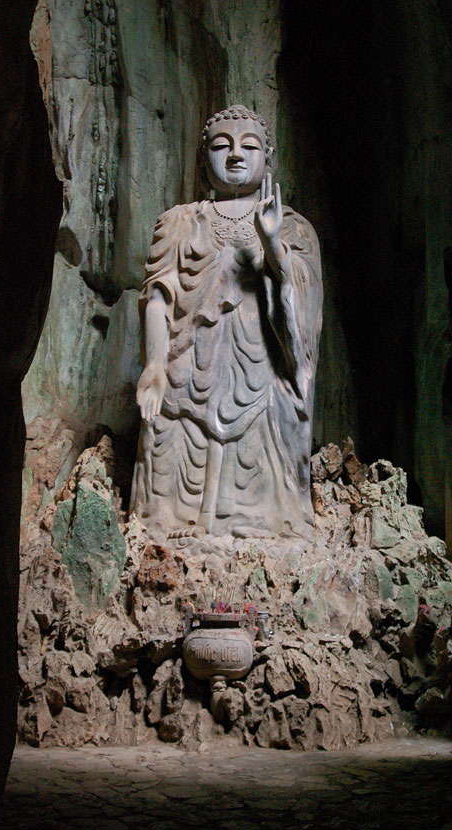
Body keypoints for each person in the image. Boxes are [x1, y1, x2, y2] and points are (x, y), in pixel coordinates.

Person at [130, 105, 323, 542]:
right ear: (203, 162)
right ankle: (173, 523)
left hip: (260, 376)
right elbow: (158, 297)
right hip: (186, 370)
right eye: (222, 146)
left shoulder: (292, 227)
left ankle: (260, 525)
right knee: (168, 435)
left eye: (248, 147)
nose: (235, 155)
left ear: (267, 159)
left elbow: (304, 303)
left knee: (264, 436)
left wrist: (272, 245)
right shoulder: (179, 221)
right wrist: (156, 365)